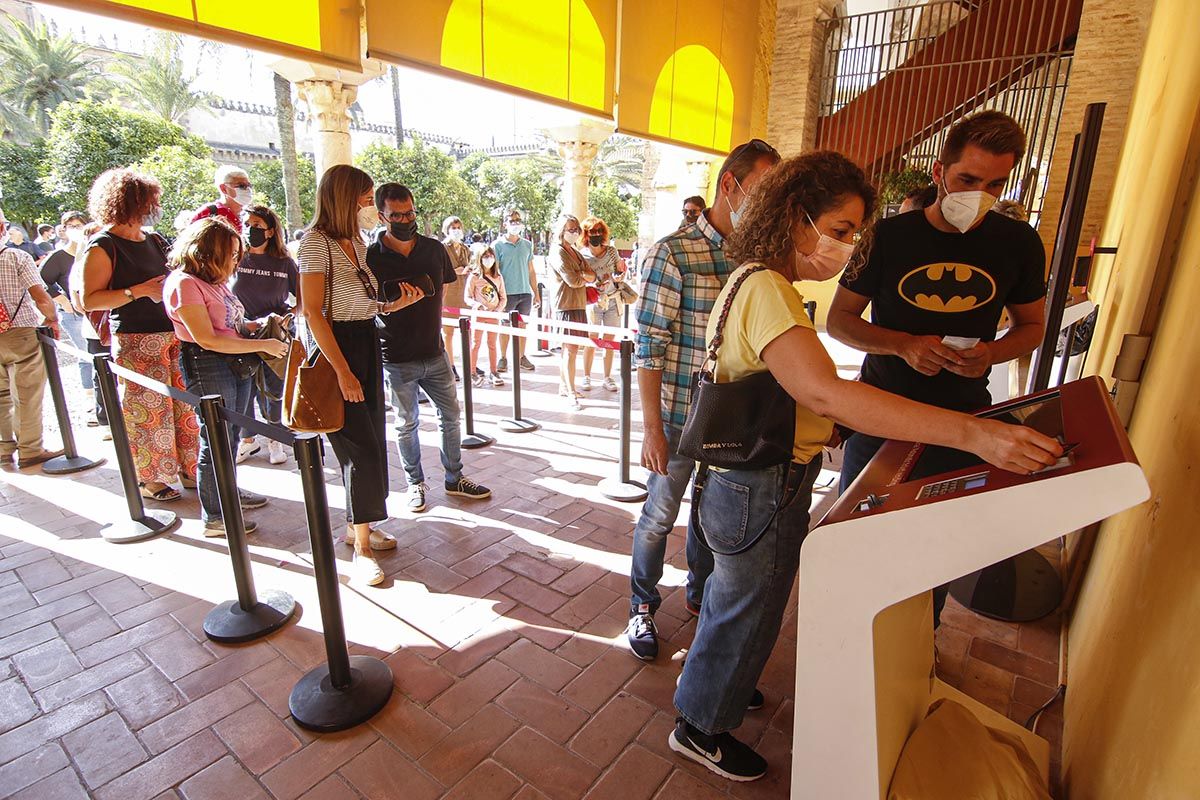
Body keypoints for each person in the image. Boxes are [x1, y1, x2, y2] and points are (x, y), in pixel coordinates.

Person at [668, 151, 1062, 782]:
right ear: (797, 218)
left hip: (751, 480)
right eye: (842, 229)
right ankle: (700, 726)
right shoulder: (767, 290)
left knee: (744, 602)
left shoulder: (758, 281)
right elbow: (824, 392)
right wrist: (972, 433)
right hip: (759, 484)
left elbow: (807, 386)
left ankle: (721, 686)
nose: (848, 246)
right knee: (746, 605)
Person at [828, 110, 1048, 627]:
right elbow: (839, 321)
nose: (979, 194)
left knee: (936, 555)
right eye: (968, 180)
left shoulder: (1018, 244)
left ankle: (916, 646)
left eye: (995, 184)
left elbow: (1032, 325)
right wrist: (903, 345)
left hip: (966, 424)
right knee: (858, 542)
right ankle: (846, 638)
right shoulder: (887, 237)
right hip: (879, 418)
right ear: (939, 172)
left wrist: (991, 353)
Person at [627, 138, 781, 662]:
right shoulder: (673, 252)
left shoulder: (758, 261)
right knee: (659, 514)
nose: (768, 202)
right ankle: (641, 606)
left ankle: (699, 595)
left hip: (731, 422)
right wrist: (651, 429)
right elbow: (648, 346)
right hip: (676, 418)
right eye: (762, 189)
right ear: (730, 186)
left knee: (710, 519)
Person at [298, 165, 423, 586]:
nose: (371, 202)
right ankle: (361, 547)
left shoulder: (353, 242)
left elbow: (361, 300)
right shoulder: (315, 243)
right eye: (365, 195)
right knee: (360, 449)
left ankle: (360, 527)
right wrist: (343, 371)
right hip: (338, 349)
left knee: (370, 441)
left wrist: (392, 305)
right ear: (346, 195)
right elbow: (313, 312)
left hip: (364, 340)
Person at [367, 183, 491, 514]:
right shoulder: (370, 257)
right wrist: (388, 305)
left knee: (450, 416)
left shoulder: (435, 250)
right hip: (395, 356)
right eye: (398, 215)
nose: (407, 219)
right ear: (382, 216)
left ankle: (455, 478)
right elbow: (363, 303)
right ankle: (415, 483)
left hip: (435, 353)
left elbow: (447, 287)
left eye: (411, 212)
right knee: (406, 423)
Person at [80, 169, 203, 503]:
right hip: (136, 340)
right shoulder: (103, 245)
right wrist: (138, 292)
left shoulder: (154, 239)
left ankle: (191, 469)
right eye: (148, 200)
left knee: (183, 409)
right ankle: (151, 478)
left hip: (173, 335)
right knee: (148, 413)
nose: (154, 206)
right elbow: (88, 299)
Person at [165, 217, 289, 537]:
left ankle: (227, 494)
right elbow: (206, 338)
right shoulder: (184, 284)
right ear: (208, 251)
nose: (236, 260)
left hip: (236, 362)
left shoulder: (215, 281)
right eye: (231, 253)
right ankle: (216, 515)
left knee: (231, 436)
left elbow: (230, 325)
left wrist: (258, 325)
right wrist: (264, 343)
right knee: (216, 440)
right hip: (208, 365)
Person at [231, 204, 299, 466]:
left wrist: (288, 317)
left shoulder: (284, 262)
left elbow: (302, 299)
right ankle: (248, 440)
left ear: (270, 231)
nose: (250, 230)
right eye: (247, 225)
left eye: (257, 226)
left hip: (275, 333)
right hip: (241, 331)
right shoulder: (236, 258)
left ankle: (275, 439)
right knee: (244, 388)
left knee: (274, 387)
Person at [0, 206, 64, 469]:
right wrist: (51, 319)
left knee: (1, 394)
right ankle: (30, 449)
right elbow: (40, 295)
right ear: (2, 229)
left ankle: (4, 449)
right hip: (21, 331)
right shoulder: (15, 257)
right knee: (27, 392)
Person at [39, 212, 91, 397]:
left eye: (80, 225)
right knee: (86, 355)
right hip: (73, 314)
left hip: (95, 310)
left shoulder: (93, 250)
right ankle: (90, 397)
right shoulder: (59, 256)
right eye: (72, 226)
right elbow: (41, 280)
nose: (76, 229)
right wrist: (61, 299)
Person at [546, 214, 594, 409]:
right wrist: (584, 276)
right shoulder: (557, 252)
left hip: (578, 304)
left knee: (571, 349)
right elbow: (572, 280)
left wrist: (583, 275)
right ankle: (570, 391)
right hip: (565, 305)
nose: (574, 232)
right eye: (570, 229)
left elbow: (591, 274)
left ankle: (565, 386)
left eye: (576, 229)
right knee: (570, 350)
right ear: (561, 230)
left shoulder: (575, 252)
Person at [68, 221, 108, 430]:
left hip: (115, 329)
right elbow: (80, 303)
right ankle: (106, 422)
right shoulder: (81, 266)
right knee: (102, 376)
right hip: (96, 330)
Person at [579, 215, 625, 393]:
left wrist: (619, 276)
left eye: (599, 231)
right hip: (593, 301)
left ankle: (607, 377)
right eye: (592, 232)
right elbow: (580, 278)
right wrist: (593, 284)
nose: (596, 234)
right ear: (586, 234)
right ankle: (587, 376)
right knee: (591, 339)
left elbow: (618, 273)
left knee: (609, 340)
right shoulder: (581, 255)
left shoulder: (612, 251)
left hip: (612, 299)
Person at [493, 208, 540, 373]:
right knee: (505, 326)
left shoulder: (527, 244)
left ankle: (521, 356)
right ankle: (503, 357)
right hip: (506, 294)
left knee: (522, 326)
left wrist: (536, 292)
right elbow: (494, 272)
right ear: (505, 223)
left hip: (524, 293)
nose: (515, 223)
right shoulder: (497, 245)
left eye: (517, 220)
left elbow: (531, 270)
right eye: (511, 220)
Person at [464, 245, 506, 388]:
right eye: (485, 256)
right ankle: (472, 371)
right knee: (475, 344)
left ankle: (493, 371)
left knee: (492, 344)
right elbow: (467, 297)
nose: (489, 259)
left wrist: (498, 310)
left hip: (493, 315)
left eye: (491, 256)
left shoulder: (498, 277)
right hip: (479, 315)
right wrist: (477, 306)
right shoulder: (474, 277)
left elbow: (503, 298)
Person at [441, 215, 471, 380]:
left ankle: (469, 363)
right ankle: (450, 365)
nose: (457, 230)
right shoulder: (442, 247)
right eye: (453, 227)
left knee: (466, 331)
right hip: (448, 293)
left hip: (464, 293)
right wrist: (455, 271)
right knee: (448, 332)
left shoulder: (466, 248)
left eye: (459, 227)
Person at [191, 165, 253, 233]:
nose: (248, 189)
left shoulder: (250, 216)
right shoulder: (207, 213)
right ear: (224, 189)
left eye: (249, 186)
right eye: (241, 186)